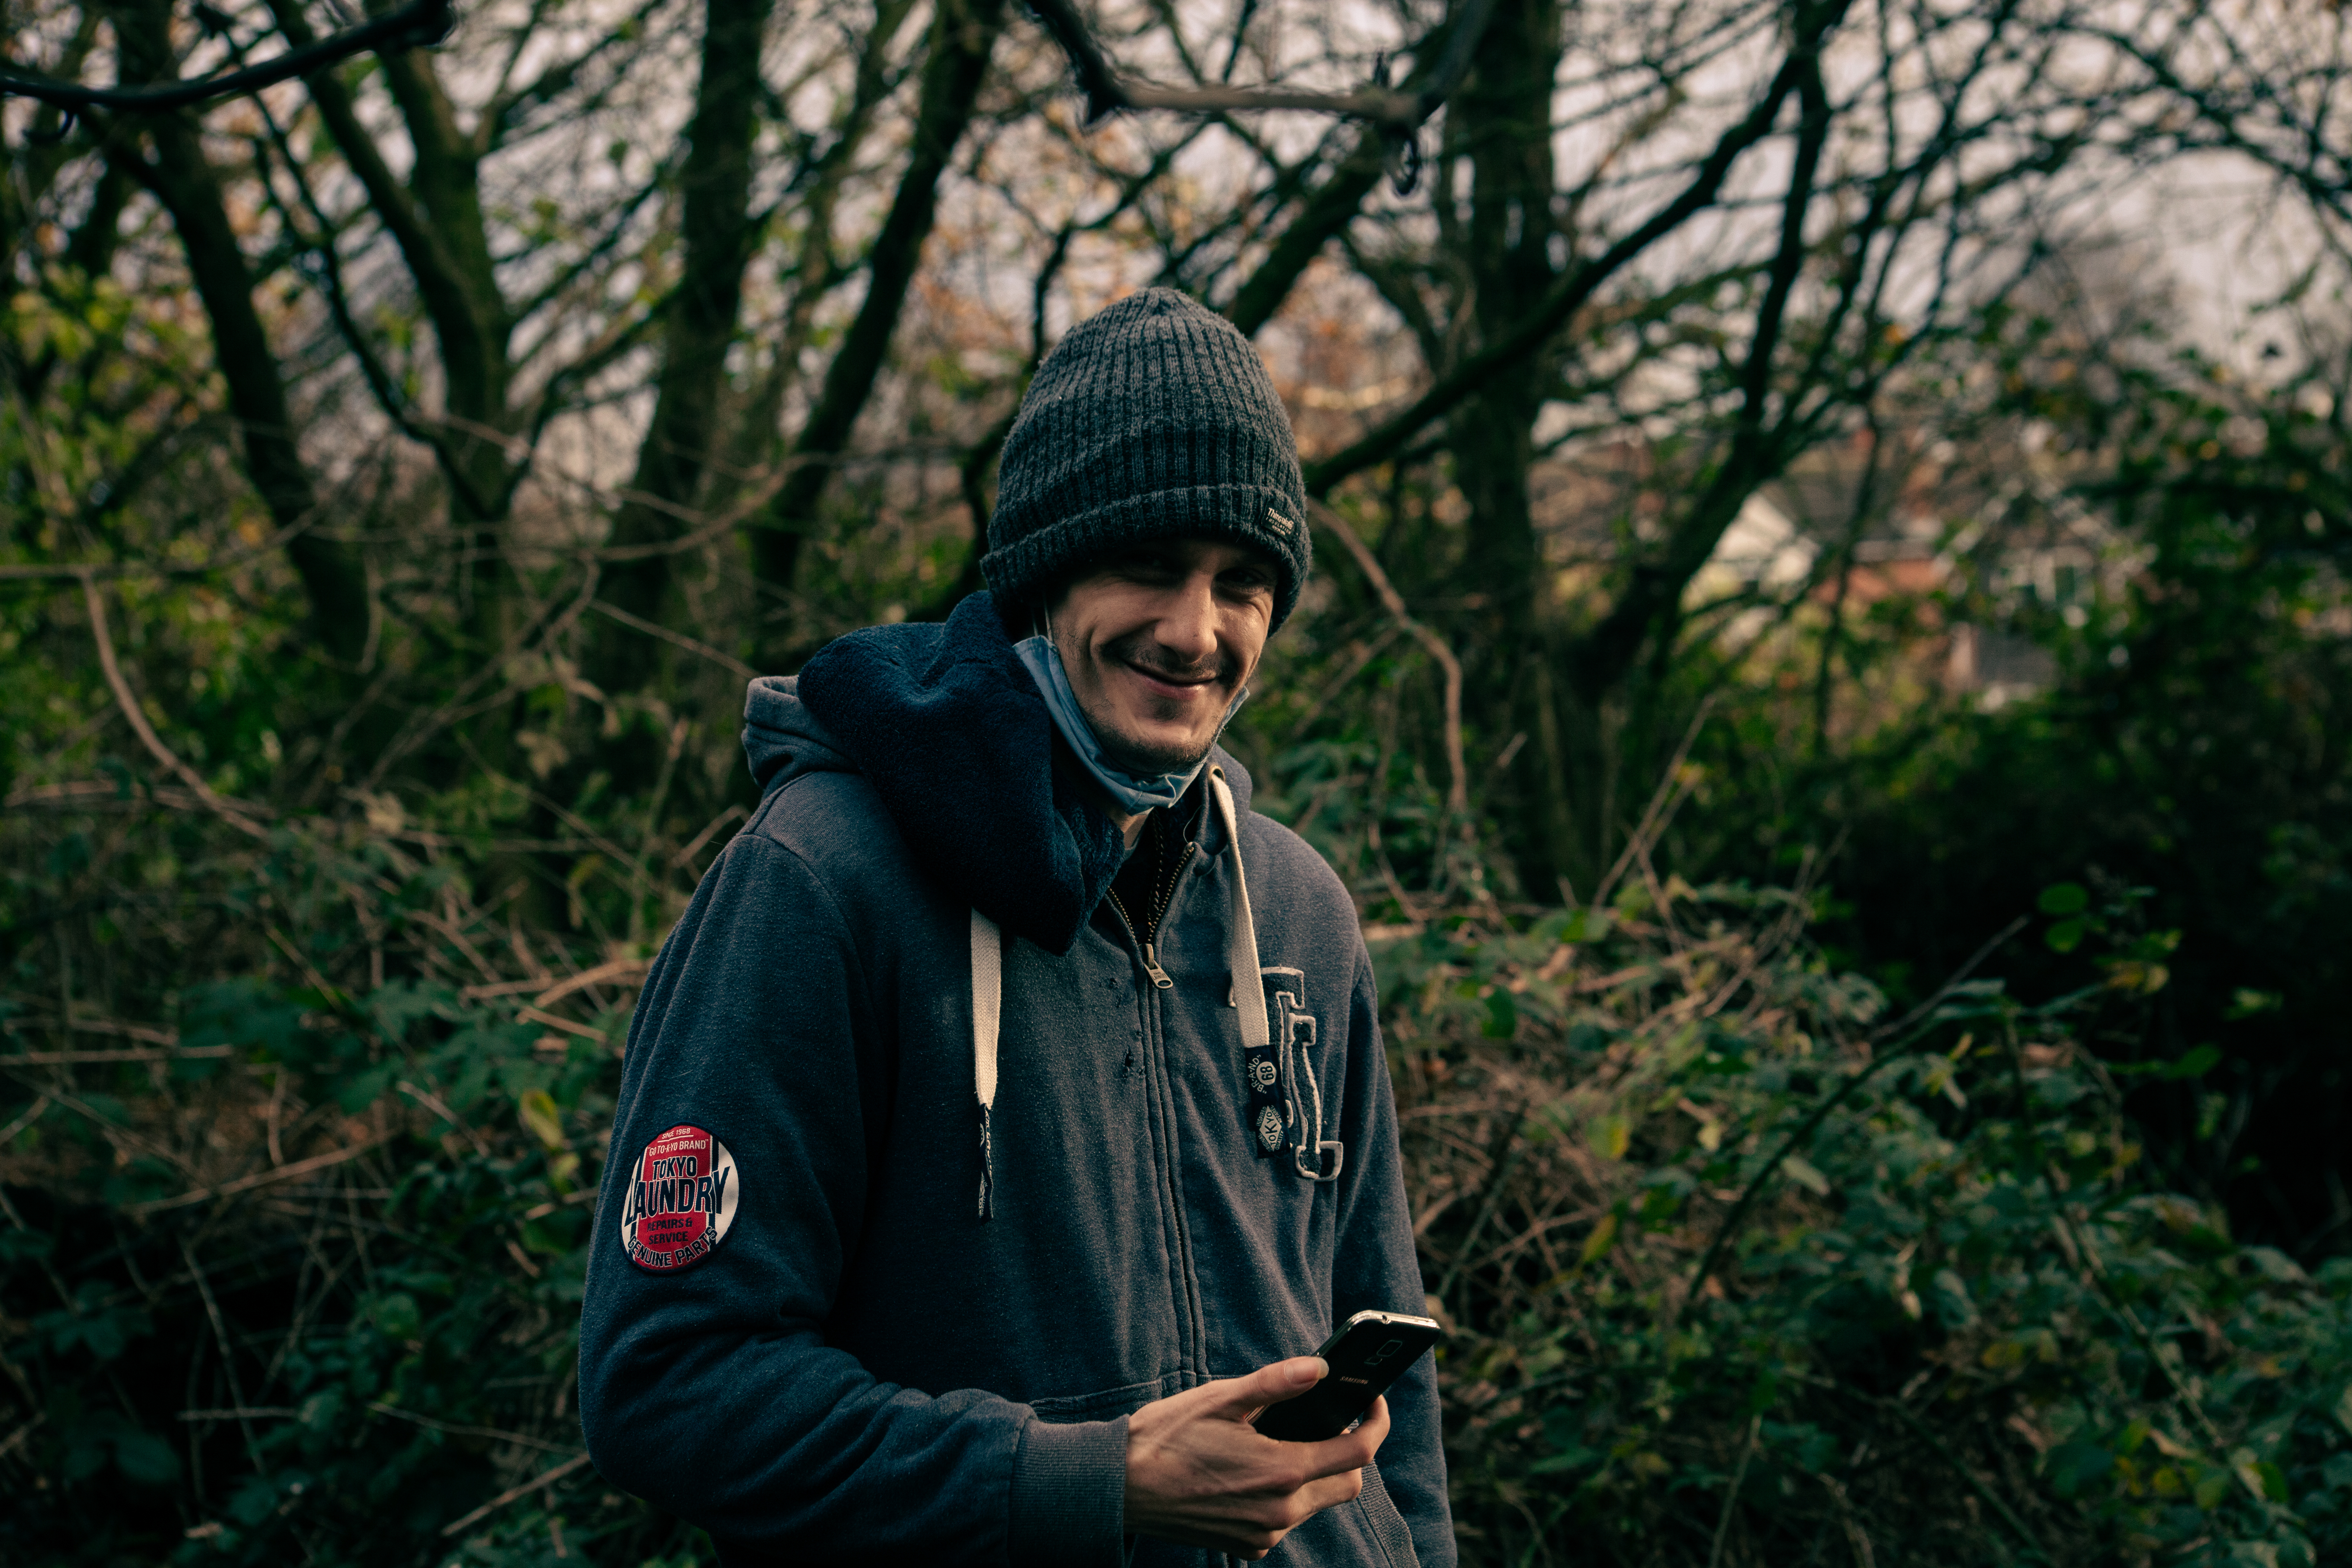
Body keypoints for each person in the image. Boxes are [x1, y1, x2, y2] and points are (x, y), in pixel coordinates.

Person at [578, 289, 1454, 1567]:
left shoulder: (1302, 913)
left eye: (1243, 584)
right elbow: (670, 1386)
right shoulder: (823, 880)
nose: (1194, 630)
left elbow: (1398, 1406)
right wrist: (1084, 1483)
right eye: (1149, 566)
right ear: (1045, 576)